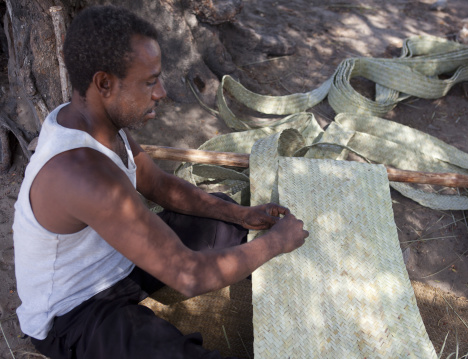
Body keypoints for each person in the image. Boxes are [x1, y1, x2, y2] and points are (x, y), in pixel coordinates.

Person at [12, 5, 308, 359]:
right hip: (75, 314)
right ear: (104, 83)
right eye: (149, 81)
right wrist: (275, 244)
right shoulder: (82, 174)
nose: (161, 92)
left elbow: (159, 185)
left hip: (119, 261)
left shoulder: (94, 120)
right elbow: (189, 276)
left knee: (224, 219)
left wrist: (239, 215)